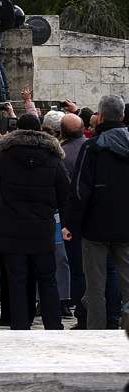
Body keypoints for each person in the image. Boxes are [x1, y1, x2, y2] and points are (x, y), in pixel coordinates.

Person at [0, 113, 69, 330]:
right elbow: (64, 192)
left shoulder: (4, 156)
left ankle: (20, 326)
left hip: (11, 228)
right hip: (42, 228)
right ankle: (53, 324)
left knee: (17, 281)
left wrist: (1, 143)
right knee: (47, 279)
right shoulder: (52, 158)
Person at [64, 95, 129, 330]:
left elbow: (80, 190)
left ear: (100, 117)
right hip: (126, 226)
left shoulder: (92, 147)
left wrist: (71, 223)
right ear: (122, 116)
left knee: (95, 287)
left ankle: (96, 335)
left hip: (96, 226)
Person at [60, 112, 88, 328]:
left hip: (72, 221)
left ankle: (83, 312)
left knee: (78, 270)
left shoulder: (63, 155)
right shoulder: (93, 149)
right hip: (99, 220)